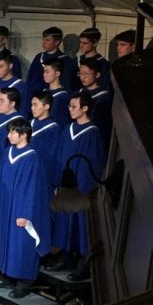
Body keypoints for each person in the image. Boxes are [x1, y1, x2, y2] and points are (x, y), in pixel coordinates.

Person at [49, 92, 105, 277]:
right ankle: (65, 256)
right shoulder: (67, 129)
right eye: (69, 106)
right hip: (66, 186)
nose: (70, 109)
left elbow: (94, 164)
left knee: (81, 224)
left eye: (74, 106)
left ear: (85, 108)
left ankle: (83, 262)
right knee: (64, 221)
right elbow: (59, 157)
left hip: (81, 188)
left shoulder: (92, 133)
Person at [0, 118, 51, 297]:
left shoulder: (32, 157)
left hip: (21, 208)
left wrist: (25, 213)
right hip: (4, 206)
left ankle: (25, 281)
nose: (9, 135)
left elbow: (33, 189)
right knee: (6, 241)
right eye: (9, 131)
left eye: (12, 132)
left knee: (21, 244)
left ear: (24, 134)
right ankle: (7, 275)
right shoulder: (6, 153)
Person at [26, 26, 72, 98]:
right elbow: (30, 79)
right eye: (43, 39)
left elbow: (66, 83)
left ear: (57, 42)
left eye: (47, 40)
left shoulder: (64, 60)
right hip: (36, 95)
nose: (44, 43)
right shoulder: (39, 57)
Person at [0, 50, 28, 118]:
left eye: (1, 67)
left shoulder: (21, 86)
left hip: (13, 124)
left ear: (10, 66)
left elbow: (23, 110)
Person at [73, 27, 111, 91]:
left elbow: (104, 87)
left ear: (95, 43)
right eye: (80, 42)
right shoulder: (76, 61)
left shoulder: (103, 64)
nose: (81, 46)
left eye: (85, 43)